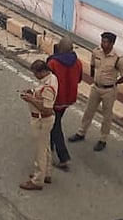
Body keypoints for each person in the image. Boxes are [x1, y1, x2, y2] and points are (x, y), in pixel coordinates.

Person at [69, 32, 123, 151]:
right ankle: (81, 132)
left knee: (107, 115)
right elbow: (92, 65)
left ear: (112, 43)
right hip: (96, 87)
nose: (103, 44)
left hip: (109, 90)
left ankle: (103, 139)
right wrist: (94, 77)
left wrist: (114, 83)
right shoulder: (96, 52)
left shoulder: (118, 58)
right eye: (102, 41)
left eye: (106, 42)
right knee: (88, 110)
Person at [19, 60, 58, 190]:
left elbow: (46, 108)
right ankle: (46, 172)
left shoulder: (48, 88)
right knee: (46, 147)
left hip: (42, 120)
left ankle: (37, 179)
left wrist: (31, 99)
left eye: (36, 73)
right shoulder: (51, 78)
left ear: (42, 72)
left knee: (39, 151)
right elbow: (40, 92)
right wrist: (32, 92)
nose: (34, 76)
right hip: (45, 120)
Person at [47, 38, 82, 170]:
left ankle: (63, 157)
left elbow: (48, 80)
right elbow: (79, 80)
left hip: (55, 99)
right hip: (68, 99)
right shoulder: (78, 62)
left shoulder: (53, 63)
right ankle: (49, 145)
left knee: (54, 126)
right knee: (56, 121)